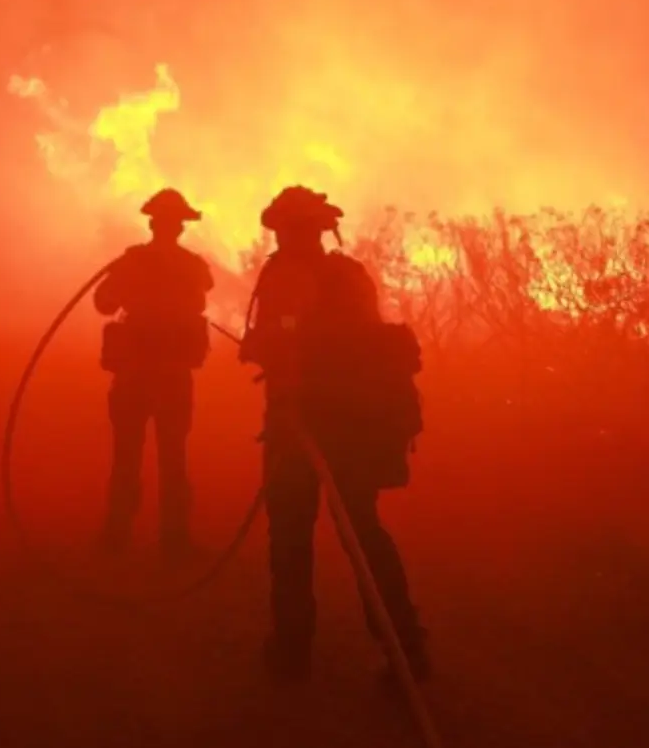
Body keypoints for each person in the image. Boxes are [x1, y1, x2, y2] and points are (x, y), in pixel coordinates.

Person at [239, 185, 428, 685]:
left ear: (290, 230)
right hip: (356, 425)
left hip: (301, 424)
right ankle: (405, 649)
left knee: (292, 538)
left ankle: (292, 652)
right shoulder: (352, 274)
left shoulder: (286, 276)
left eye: (284, 229)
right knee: (364, 530)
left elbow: (283, 339)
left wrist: (261, 348)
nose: (279, 238)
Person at [93, 189, 214, 557]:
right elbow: (201, 299)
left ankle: (117, 536)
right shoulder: (193, 266)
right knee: (173, 457)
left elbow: (104, 303)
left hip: (134, 374)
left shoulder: (131, 262)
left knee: (126, 455)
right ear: (179, 228)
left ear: (151, 223)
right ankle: (174, 539)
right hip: (173, 376)